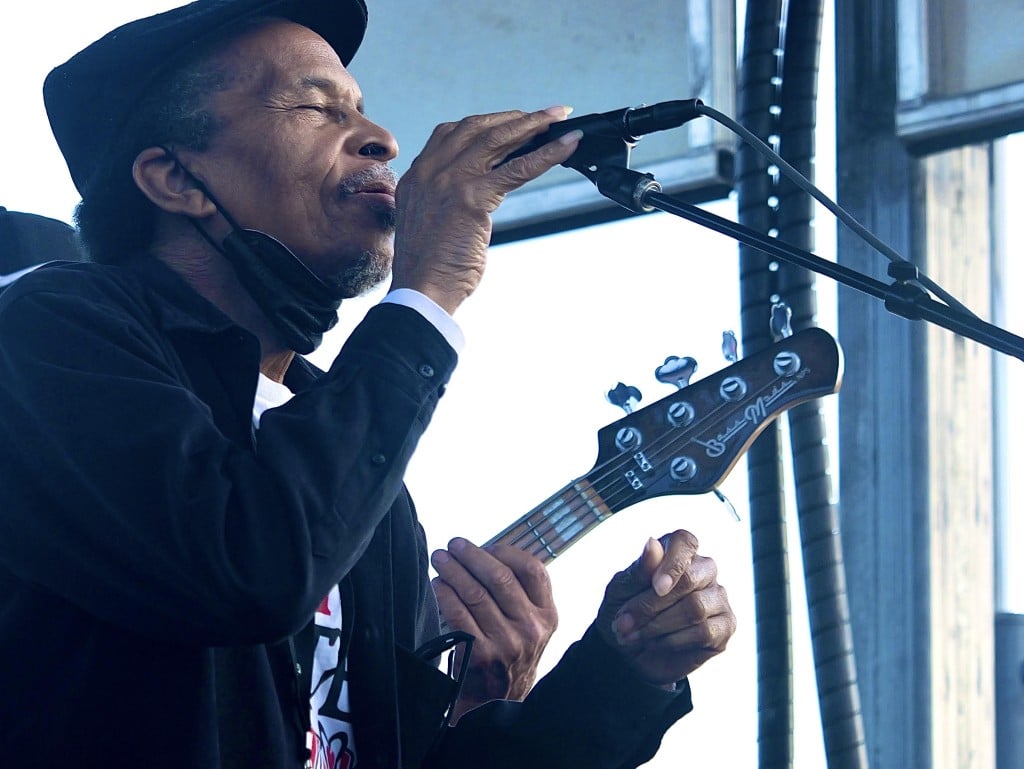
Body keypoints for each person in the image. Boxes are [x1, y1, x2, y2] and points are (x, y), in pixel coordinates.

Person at [0, 1, 736, 768]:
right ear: (175, 176)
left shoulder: (350, 463)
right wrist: (428, 293)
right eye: (318, 106)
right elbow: (247, 566)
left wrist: (619, 676)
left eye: (358, 106)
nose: (381, 137)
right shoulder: (46, 334)